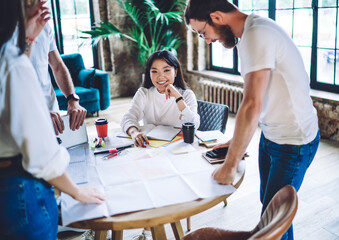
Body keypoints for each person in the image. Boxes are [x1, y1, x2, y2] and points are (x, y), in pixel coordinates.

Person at [184, 1, 320, 239]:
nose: (206, 40)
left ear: (216, 17)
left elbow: (251, 104)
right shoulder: (248, 34)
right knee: (270, 210)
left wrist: (230, 165)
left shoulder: (257, 33)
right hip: (272, 136)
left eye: (202, 32)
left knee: (274, 220)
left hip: (294, 142)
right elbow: (263, 102)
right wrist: (235, 143)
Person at [0, 1, 105, 239]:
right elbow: (42, 155)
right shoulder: (11, 63)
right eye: (29, 4)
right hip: (19, 187)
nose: (40, 6)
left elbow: (55, 64)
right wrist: (76, 191)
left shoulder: (15, 49)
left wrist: (28, 39)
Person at [24, 0, 87, 135]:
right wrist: (39, 113)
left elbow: (57, 65)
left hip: (53, 113)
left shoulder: (44, 27)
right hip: (24, 118)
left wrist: (72, 99)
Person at [121, 50, 200, 148]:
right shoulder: (144, 93)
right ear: (149, 74)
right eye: (154, 71)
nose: (160, 76)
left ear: (175, 72)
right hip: (151, 147)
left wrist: (177, 97)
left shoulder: (187, 94)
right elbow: (128, 118)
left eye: (166, 70)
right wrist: (134, 133)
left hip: (177, 147)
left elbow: (194, 124)